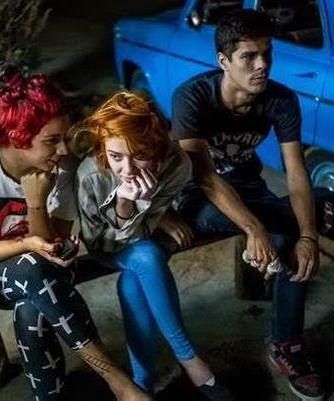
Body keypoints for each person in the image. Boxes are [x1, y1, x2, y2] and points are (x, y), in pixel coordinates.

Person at [171, 9, 334, 401]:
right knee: (279, 229)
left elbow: (296, 172)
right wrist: (254, 228)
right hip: (198, 197)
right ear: (224, 62)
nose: (262, 65)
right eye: (249, 57)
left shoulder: (282, 100)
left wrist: (308, 236)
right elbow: (204, 176)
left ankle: (286, 343)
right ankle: (323, 210)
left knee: (292, 243)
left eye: (267, 53)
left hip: (250, 187)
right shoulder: (192, 97)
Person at [0, 65, 150, 401]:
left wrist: (36, 205)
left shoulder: (62, 169)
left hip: (50, 274)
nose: (64, 151)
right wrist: (26, 239)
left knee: (32, 304)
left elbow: (53, 247)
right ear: (16, 138)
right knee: (31, 268)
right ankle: (116, 379)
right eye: (51, 141)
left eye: (64, 137)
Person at [74, 90, 233, 400]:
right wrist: (126, 205)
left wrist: (153, 212)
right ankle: (189, 359)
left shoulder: (176, 164)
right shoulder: (90, 175)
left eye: (140, 154)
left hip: (142, 237)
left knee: (133, 281)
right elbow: (97, 241)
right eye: (116, 156)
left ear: (159, 148)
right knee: (145, 256)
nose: (128, 169)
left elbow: (146, 227)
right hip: (105, 245)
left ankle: (142, 383)